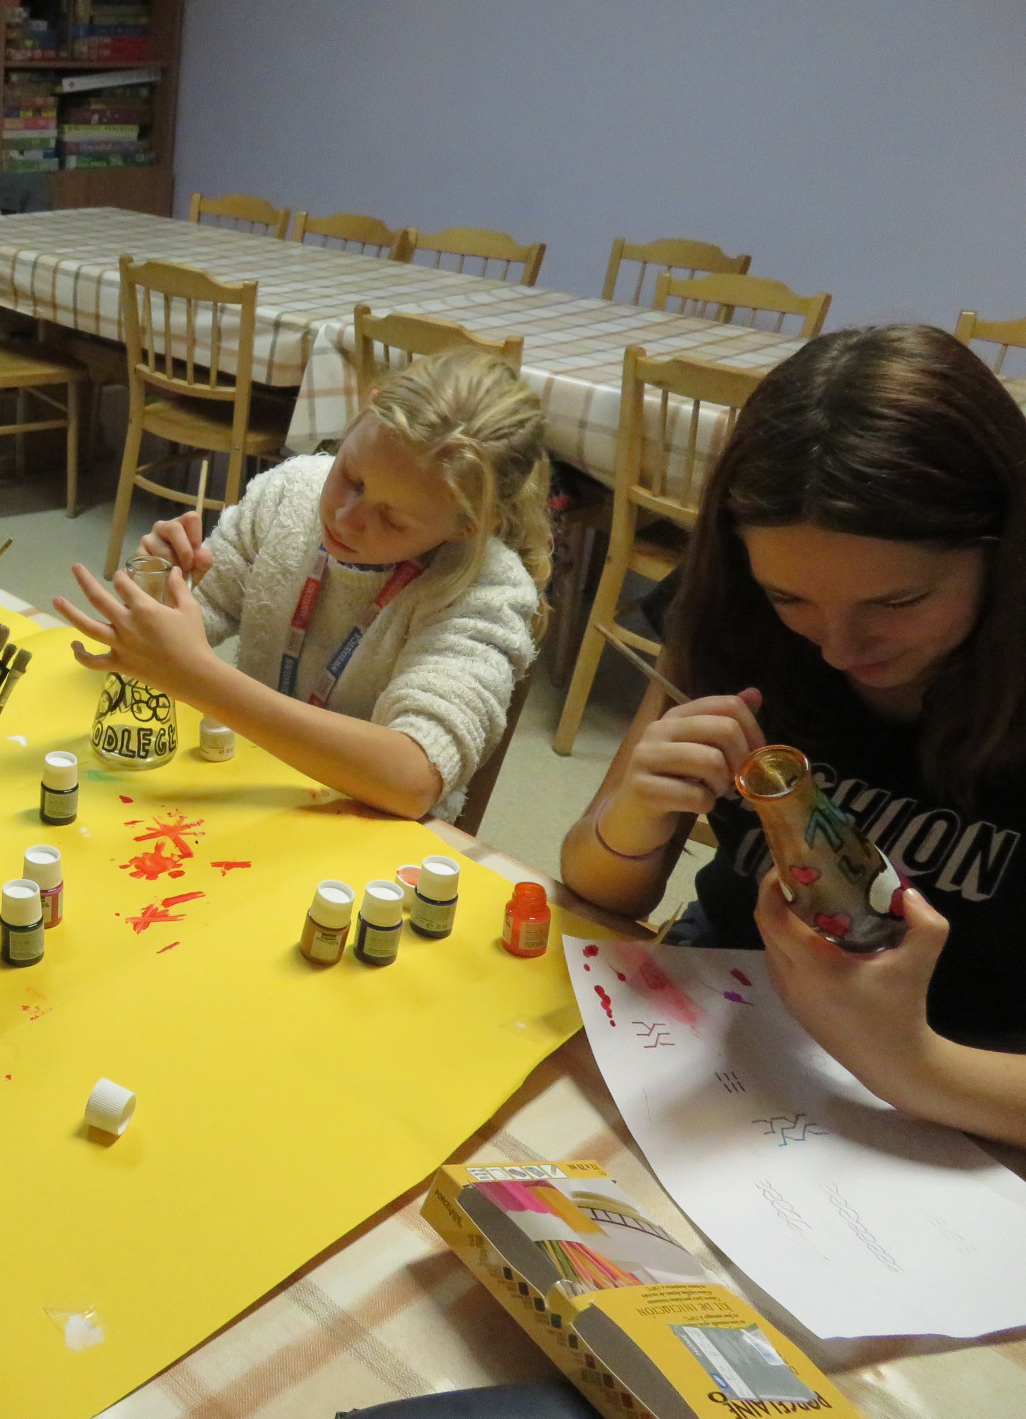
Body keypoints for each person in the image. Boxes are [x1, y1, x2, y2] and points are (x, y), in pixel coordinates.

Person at [560, 324, 1026, 1146]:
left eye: (898, 602)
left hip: (962, 1109)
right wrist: (634, 815)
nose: (838, 649)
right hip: (718, 1037)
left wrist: (913, 1064)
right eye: (791, 598)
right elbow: (600, 888)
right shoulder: (736, 617)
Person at [52, 348, 551, 821]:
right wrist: (160, 593)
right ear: (362, 415)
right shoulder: (291, 493)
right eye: (352, 478)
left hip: (369, 834)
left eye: (393, 520)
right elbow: (192, 626)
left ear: (468, 527)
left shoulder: (486, 591)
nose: (345, 517)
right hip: (256, 790)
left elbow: (413, 778)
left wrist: (200, 677)